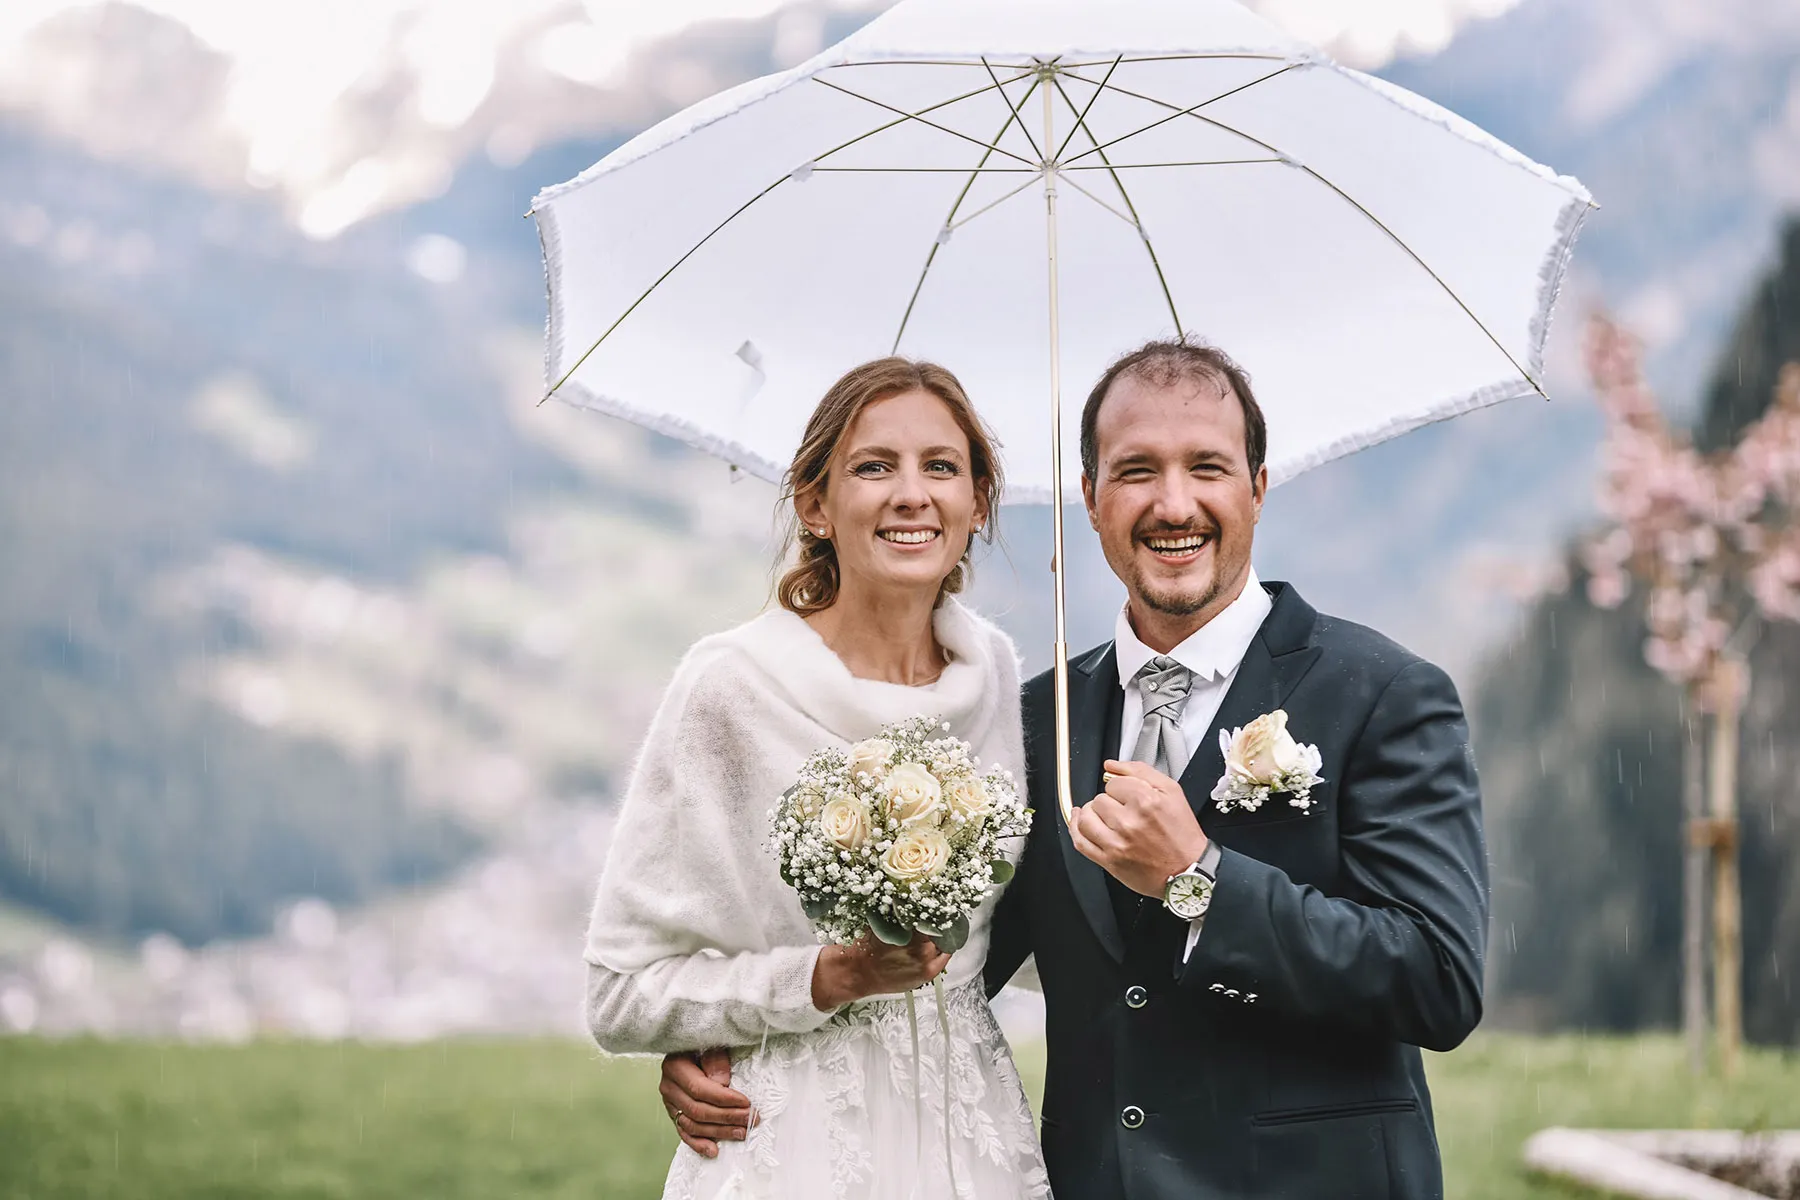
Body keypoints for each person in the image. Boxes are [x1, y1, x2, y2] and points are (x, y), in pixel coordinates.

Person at [660, 339, 1490, 1199]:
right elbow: (942, 964)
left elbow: (1437, 980)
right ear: (1090, 498)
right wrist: (742, 1037)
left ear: (1257, 488)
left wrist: (1198, 878)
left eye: (1206, 467)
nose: (1174, 504)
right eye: (1136, 471)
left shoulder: (1385, 693)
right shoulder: (1031, 720)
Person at [582, 357, 1050, 1199]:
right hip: (793, 1145)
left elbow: (1023, 935)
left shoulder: (998, 673)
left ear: (979, 502)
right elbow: (620, 993)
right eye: (874, 467)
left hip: (972, 1141)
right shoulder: (730, 687)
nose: (912, 494)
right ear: (814, 504)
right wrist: (817, 980)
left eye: (941, 467)